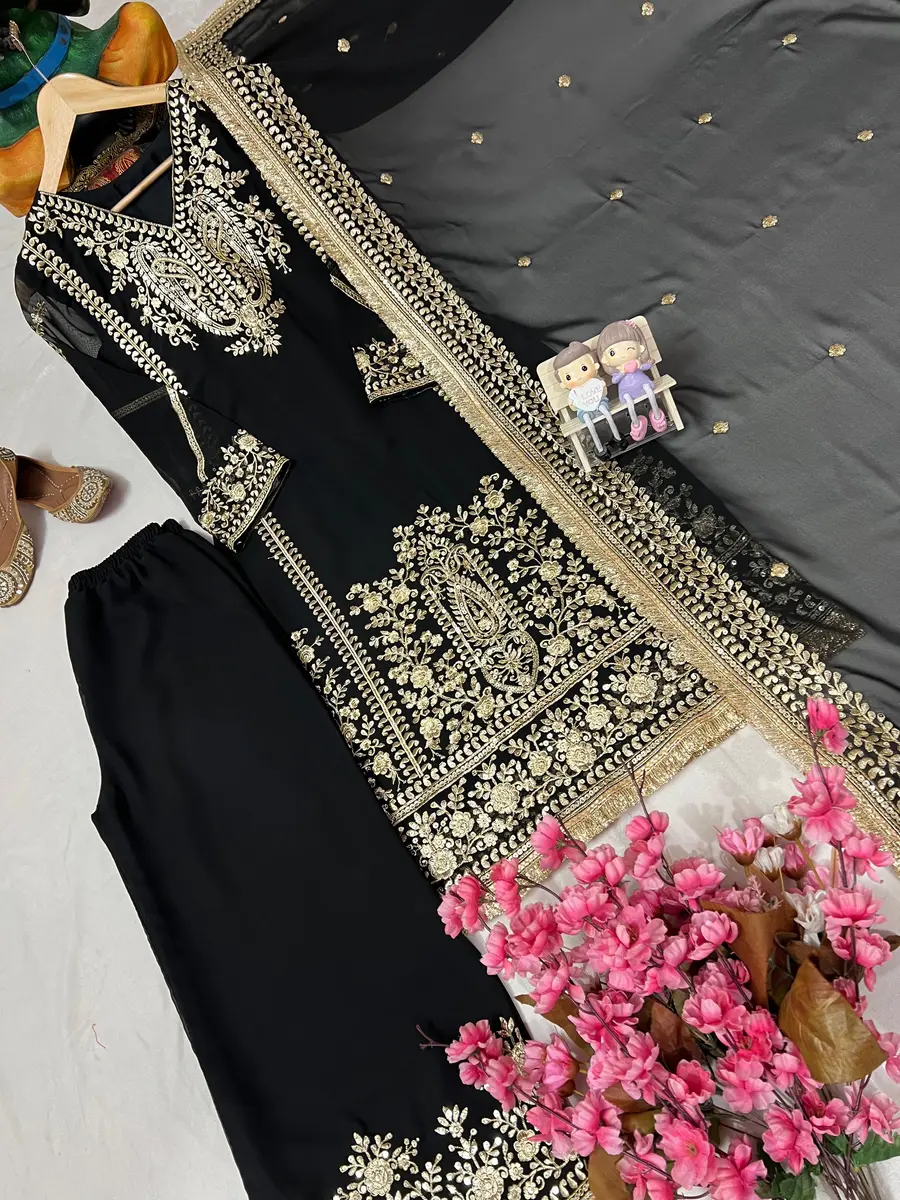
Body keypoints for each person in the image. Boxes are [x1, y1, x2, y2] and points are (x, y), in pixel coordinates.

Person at [597, 319, 667, 442]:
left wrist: (644, 364)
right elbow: (614, 380)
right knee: (629, 404)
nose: (622, 355)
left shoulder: (637, 362)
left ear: (640, 347)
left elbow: (646, 366)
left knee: (650, 393)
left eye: (629, 348)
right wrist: (622, 372)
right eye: (612, 353)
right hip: (626, 390)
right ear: (605, 359)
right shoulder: (619, 370)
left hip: (642, 382)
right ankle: (636, 424)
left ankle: (657, 416)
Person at [553, 339, 620, 456]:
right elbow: (574, 408)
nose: (578, 377)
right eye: (569, 377)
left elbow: (603, 392)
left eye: (584, 368)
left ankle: (617, 437)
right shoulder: (574, 393)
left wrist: (602, 387)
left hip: (600, 403)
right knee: (588, 421)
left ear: (595, 365)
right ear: (563, 384)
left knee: (606, 412)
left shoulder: (595, 383)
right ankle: (599, 448)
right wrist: (573, 404)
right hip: (584, 411)